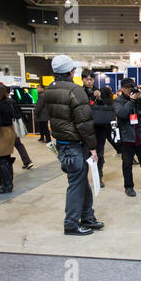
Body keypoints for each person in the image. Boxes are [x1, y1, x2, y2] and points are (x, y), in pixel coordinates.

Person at [44, 55, 104, 236]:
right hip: (74, 145)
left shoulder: (50, 90)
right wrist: (93, 147)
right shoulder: (75, 91)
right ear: (72, 71)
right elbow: (84, 123)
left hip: (62, 144)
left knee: (80, 182)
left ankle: (87, 217)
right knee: (76, 184)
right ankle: (71, 223)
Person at [114, 78, 141, 197]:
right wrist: (131, 101)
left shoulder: (139, 99)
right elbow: (122, 114)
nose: (130, 89)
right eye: (127, 87)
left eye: (132, 87)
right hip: (127, 138)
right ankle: (128, 187)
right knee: (127, 164)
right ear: (122, 88)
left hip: (140, 137)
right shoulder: (118, 101)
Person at [0, 85, 16, 194]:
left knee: (1, 161)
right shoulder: (9, 103)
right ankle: (9, 183)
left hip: (1, 134)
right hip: (9, 132)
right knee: (7, 159)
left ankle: (7, 185)